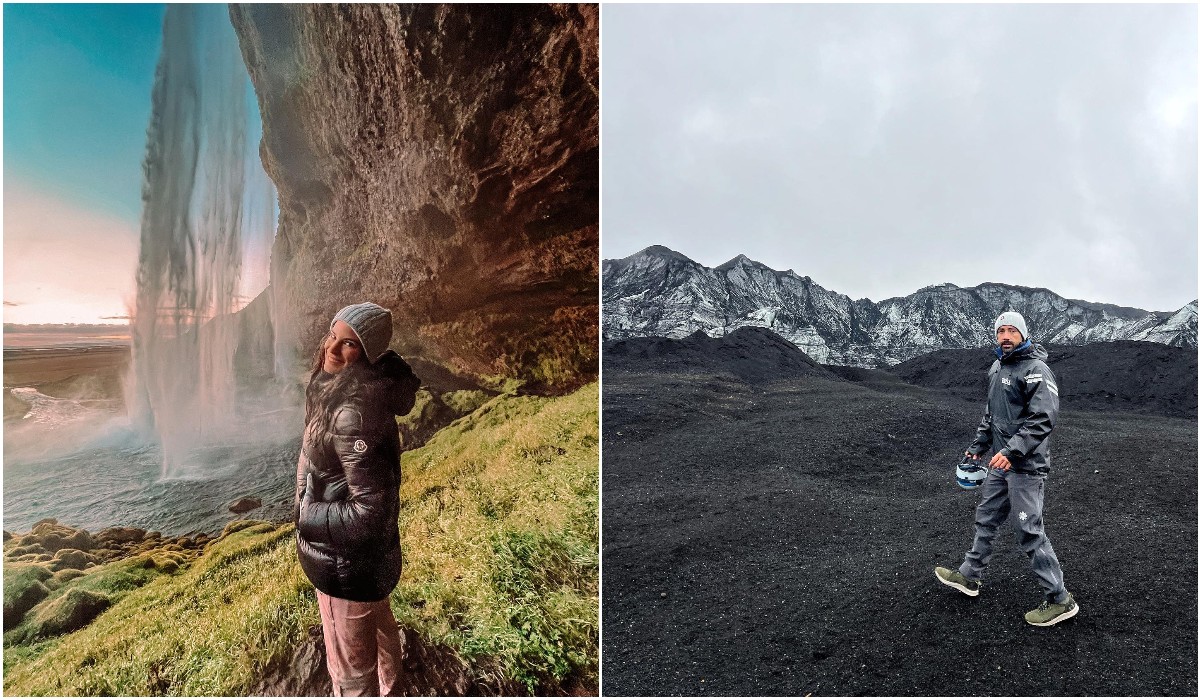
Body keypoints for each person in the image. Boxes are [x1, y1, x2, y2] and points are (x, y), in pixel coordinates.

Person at [294, 302, 421, 695]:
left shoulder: (352, 412)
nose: (332, 348)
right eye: (333, 335)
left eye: (348, 344)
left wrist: (305, 514)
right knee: (381, 630)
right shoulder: (346, 391)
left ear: (367, 356)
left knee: (350, 674)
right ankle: (393, 689)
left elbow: (370, 512)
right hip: (369, 564)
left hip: (345, 566)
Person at [933, 311, 1080, 627]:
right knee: (986, 517)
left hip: (1025, 466)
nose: (1006, 336)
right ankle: (969, 576)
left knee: (1029, 530)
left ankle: (1060, 600)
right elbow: (991, 415)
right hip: (1002, 463)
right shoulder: (996, 368)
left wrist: (1012, 452)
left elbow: (1043, 419)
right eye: (1001, 331)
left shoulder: (1036, 371)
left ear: (1024, 335)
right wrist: (978, 446)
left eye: (1013, 331)